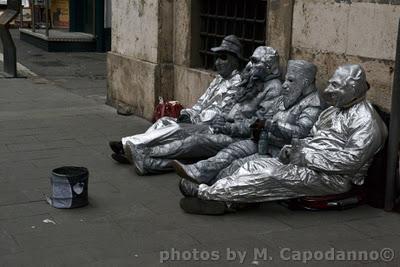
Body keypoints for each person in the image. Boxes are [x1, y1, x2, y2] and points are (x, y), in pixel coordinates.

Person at [179, 64, 388, 215]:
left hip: (334, 178)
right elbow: (312, 136)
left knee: (270, 174)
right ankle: (231, 201)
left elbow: (350, 162)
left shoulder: (367, 122)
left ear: (353, 88)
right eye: (331, 84)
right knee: (254, 164)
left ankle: (206, 193)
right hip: (305, 160)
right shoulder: (333, 111)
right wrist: (295, 149)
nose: (328, 90)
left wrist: (303, 155)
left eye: (335, 86)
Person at [125, 46, 283, 175]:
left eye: (255, 62)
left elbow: (258, 124)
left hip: (239, 136)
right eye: (250, 61)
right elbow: (228, 106)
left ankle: (145, 152)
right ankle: (149, 162)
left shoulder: (273, 88)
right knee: (187, 138)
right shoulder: (251, 81)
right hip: (221, 126)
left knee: (196, 142)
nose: (250, 66)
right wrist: (219, 118)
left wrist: (227, 126)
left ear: (268, 66)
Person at [173, 60, 323, 186]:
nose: (284, 85)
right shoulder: (285, 98)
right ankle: (197, 172)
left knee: (237, 166)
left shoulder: (314, 103)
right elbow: (259, 120)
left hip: (279, 152)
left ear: (305, 82)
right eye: (286, 80)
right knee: (230, 152)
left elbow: (302, 132)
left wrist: (273, 125)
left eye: (290, 80)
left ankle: (208, 188)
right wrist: (231, 128)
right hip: (261, 141)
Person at [109, 35, 243, 164]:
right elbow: (201, 103)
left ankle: (128, 144)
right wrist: (187, 114)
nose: (217, 62)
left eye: (223, 58)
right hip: (197, 120)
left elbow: (218, 113)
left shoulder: (237, 83)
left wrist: (192, 120)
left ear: (235, 60)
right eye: (217, 58)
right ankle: (132, 150)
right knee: (163, 122)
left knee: (175, 129)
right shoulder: (218, 79)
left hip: (209, 127)